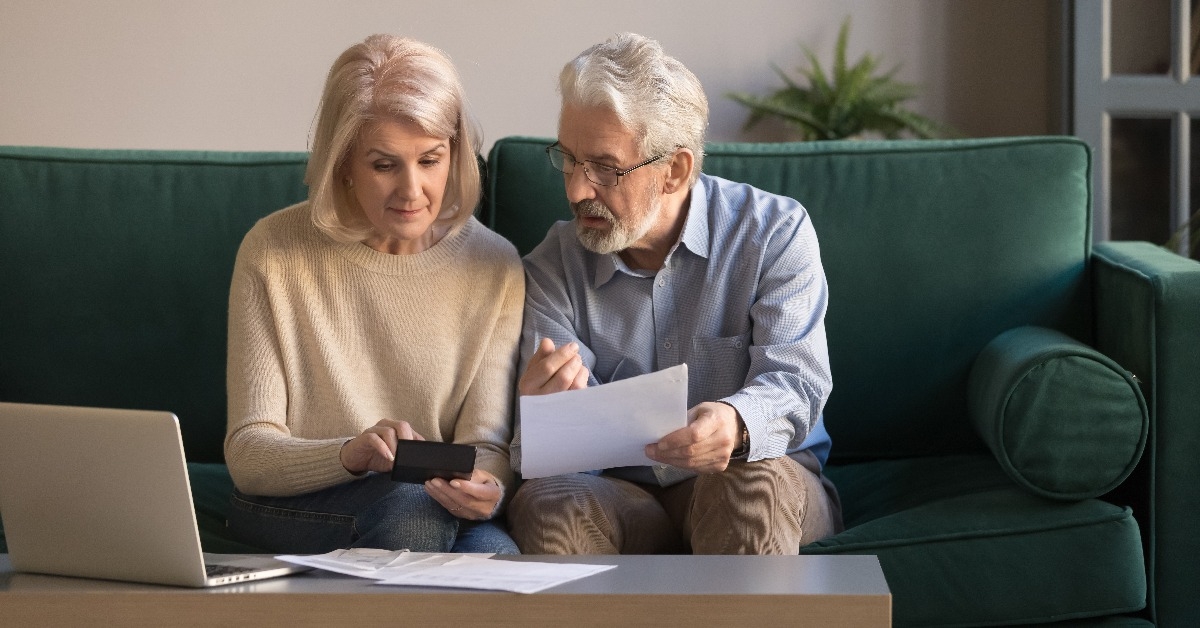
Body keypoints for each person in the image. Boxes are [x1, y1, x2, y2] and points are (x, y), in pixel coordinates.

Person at [506, 32, 842, 555]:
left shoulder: (773, 232)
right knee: (552, 504)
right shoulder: (554, 262)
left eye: (605, 168)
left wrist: (735, 423)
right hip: (621, 493)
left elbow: (796, 383)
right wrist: (544, 416)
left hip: (757, 473)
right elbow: (544, 457)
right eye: (568, 159)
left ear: (675, 171)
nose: (576, 189)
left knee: (749, 488)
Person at [224, 34, 523, 555]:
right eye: (384, 165)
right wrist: (349, 454)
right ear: (343, 163)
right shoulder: (272, 251)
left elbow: (487, 446)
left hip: (432, 505)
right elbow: (249, 454)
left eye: (430, 160)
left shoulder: (495, 265)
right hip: (297, 501)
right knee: (411, 516)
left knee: (499, 557)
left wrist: (488, 488)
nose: (412, 191)